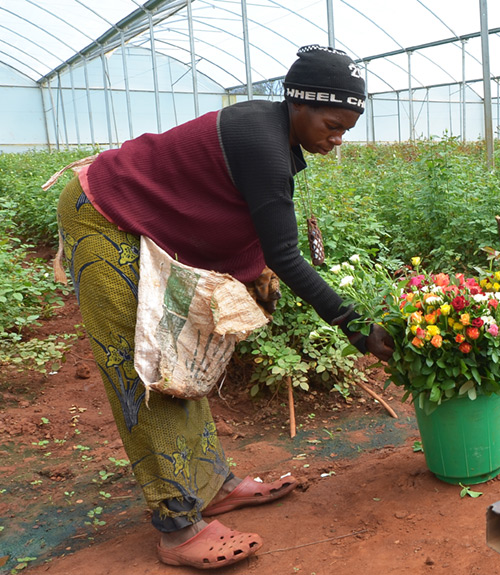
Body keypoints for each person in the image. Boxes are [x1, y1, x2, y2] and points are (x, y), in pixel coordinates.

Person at [55, 45, 392, 569]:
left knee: (182, 358)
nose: (337, 138)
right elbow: (284, 253)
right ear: (296, 105)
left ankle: (214, 485)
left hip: (143, 217)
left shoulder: (272, 133)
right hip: (104, 215)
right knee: (147, 366)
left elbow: (242, 216)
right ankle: (178, 526)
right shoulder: (262, 142)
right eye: (331, 124)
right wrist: (354, 325)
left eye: (346, 128)